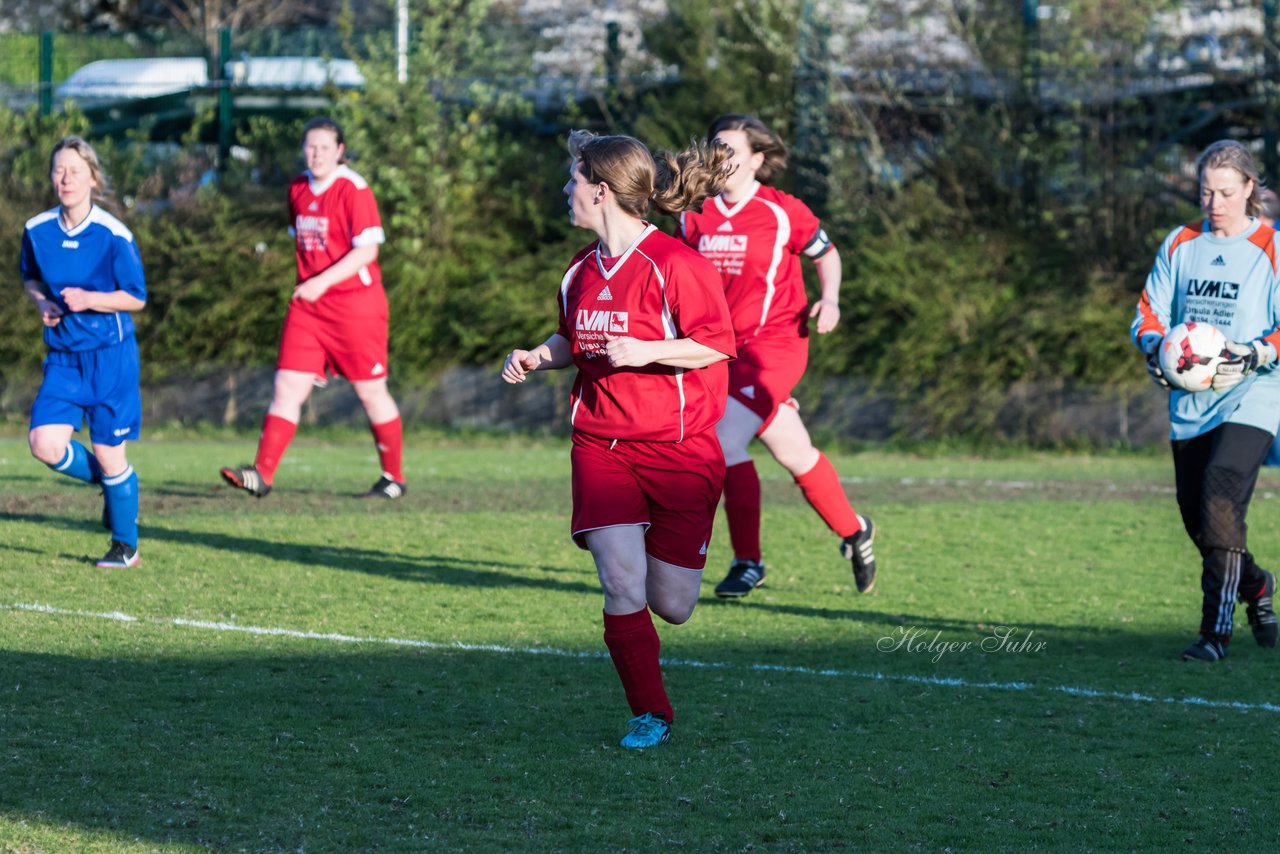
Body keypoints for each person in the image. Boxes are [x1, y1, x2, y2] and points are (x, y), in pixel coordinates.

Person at [501, 130, 735, 748]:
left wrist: (647, 350)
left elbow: (717, 343)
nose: (565, 191)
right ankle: (649, 712)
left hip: (682, 451)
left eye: (572, 182)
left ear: (600, 190)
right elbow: (571, 341)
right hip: (601, 447)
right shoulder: (578, 270)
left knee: (674, 603)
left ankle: (667, 559)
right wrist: (537, 355)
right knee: (621, 584)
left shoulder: (678, 264)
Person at [677, 114, 876, 599]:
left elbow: (826, 254)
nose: (721, 159)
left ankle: (748, 562)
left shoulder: (782, 211)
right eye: (715, 148)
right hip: (718, 351)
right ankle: (855, 531)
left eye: (732, 150)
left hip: (775, 346)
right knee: (792, 451)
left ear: (758, 159)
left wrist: (830, 298)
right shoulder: (693, 214)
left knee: (723, 444)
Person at [1132, 139, 1280, 662]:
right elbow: (1148, 312)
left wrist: (1255, 352)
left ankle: (1214, 635)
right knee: (1200, 520)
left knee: (1220, 496)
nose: (1214, 203)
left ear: (1249, 190)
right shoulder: (1180, 243)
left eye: (1225, 192)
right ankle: (1257, 585)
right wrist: (1155, 346)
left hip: (1253, 393)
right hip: (1191, 404)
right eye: (1205, 192)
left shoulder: (1274, 248)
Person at [220, 116, 405, 499]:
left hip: (356, 306)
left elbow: (367, 250)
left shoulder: (354, 188)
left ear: (340, 151)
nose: (316, 153)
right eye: (310, 146)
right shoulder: (298, 188)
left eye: (324, 146)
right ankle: (261, 474)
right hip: (308, 307)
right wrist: (312, 286)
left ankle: (393, 478)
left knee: (371, 391)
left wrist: (320, 282)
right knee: (287, 385)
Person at [21, 136, 147, 568]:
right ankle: (116, 484)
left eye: (75, 170)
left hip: (110, 357)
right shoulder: (37, 230)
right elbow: (31, 279)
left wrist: (91, 299)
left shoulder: (113, 234)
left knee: (112, 452)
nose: (66, 178)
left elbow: (136, 297)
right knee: (44, 444)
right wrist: (43, 303)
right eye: (59, 169)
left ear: (93, 177)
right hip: (64, 358)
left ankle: (125, 547)